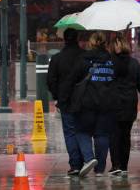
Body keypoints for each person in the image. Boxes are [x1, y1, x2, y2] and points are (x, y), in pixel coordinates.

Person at [65, 31, 117, 177]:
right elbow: (116, 80)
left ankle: (89, 158)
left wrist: (64, 99)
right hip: (106, 103)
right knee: (102, 135)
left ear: (91, 43)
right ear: (104, 44)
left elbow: (72, 79)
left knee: (82, 131)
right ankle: (100, 169)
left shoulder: (83, 59)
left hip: (86, 103)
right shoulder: (111, 60)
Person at [109, 34, 140, 177]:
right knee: (125, 135)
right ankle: (123, 166)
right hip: (129, 103)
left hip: (113, 104)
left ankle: (116, 165)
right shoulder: (133, 63)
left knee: (114, 135)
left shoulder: (109, 62)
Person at [47, 28, 84, 176]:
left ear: (64, 39)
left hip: (66, 100)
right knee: (83, 131)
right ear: (77, 38)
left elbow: (50, 80)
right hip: (84, 100)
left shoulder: (57, 58)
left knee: (69, 132)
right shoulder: (85, 56)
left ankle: (75, 164)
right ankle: (87, 159)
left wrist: (58, 96)